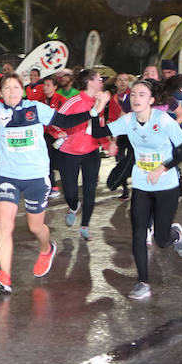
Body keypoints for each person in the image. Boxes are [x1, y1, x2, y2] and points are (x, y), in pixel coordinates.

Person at [0, 67, 95, 294]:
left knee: (35, 227)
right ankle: (4, 275)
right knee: (4, 224)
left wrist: (93, 112)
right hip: (9, 177)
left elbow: (65, 121)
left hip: (36, 176)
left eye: (16, 87)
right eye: (6, 87)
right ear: (1, 91)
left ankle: (46, 249)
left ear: (23, 90)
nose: (11, 91)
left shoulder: (35, 108)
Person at [89, 77, 182, 300]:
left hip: (166, 185)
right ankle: (143, 282)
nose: (136, 98)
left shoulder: (163, 120)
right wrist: (97, 109)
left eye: (142, 95)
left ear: (152, 100)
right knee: (138, 233)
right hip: (142, 184)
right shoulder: (128, 121)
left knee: (162, 240)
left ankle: (176, 235)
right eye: (134, 94)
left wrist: (163, 168)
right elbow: (98, 133)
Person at [54, 69, 108, 239]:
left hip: (91, 152)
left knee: (90, 190)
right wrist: (58, 133)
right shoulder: (74, 101)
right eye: (99, 79)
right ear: (89, 82)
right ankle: (73, 205)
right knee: (70, 192)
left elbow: (100, 127)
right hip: (69, 152)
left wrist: (107, 144)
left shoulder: (100, 102)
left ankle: (85, 226)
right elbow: (55, 121)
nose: (102, 82)